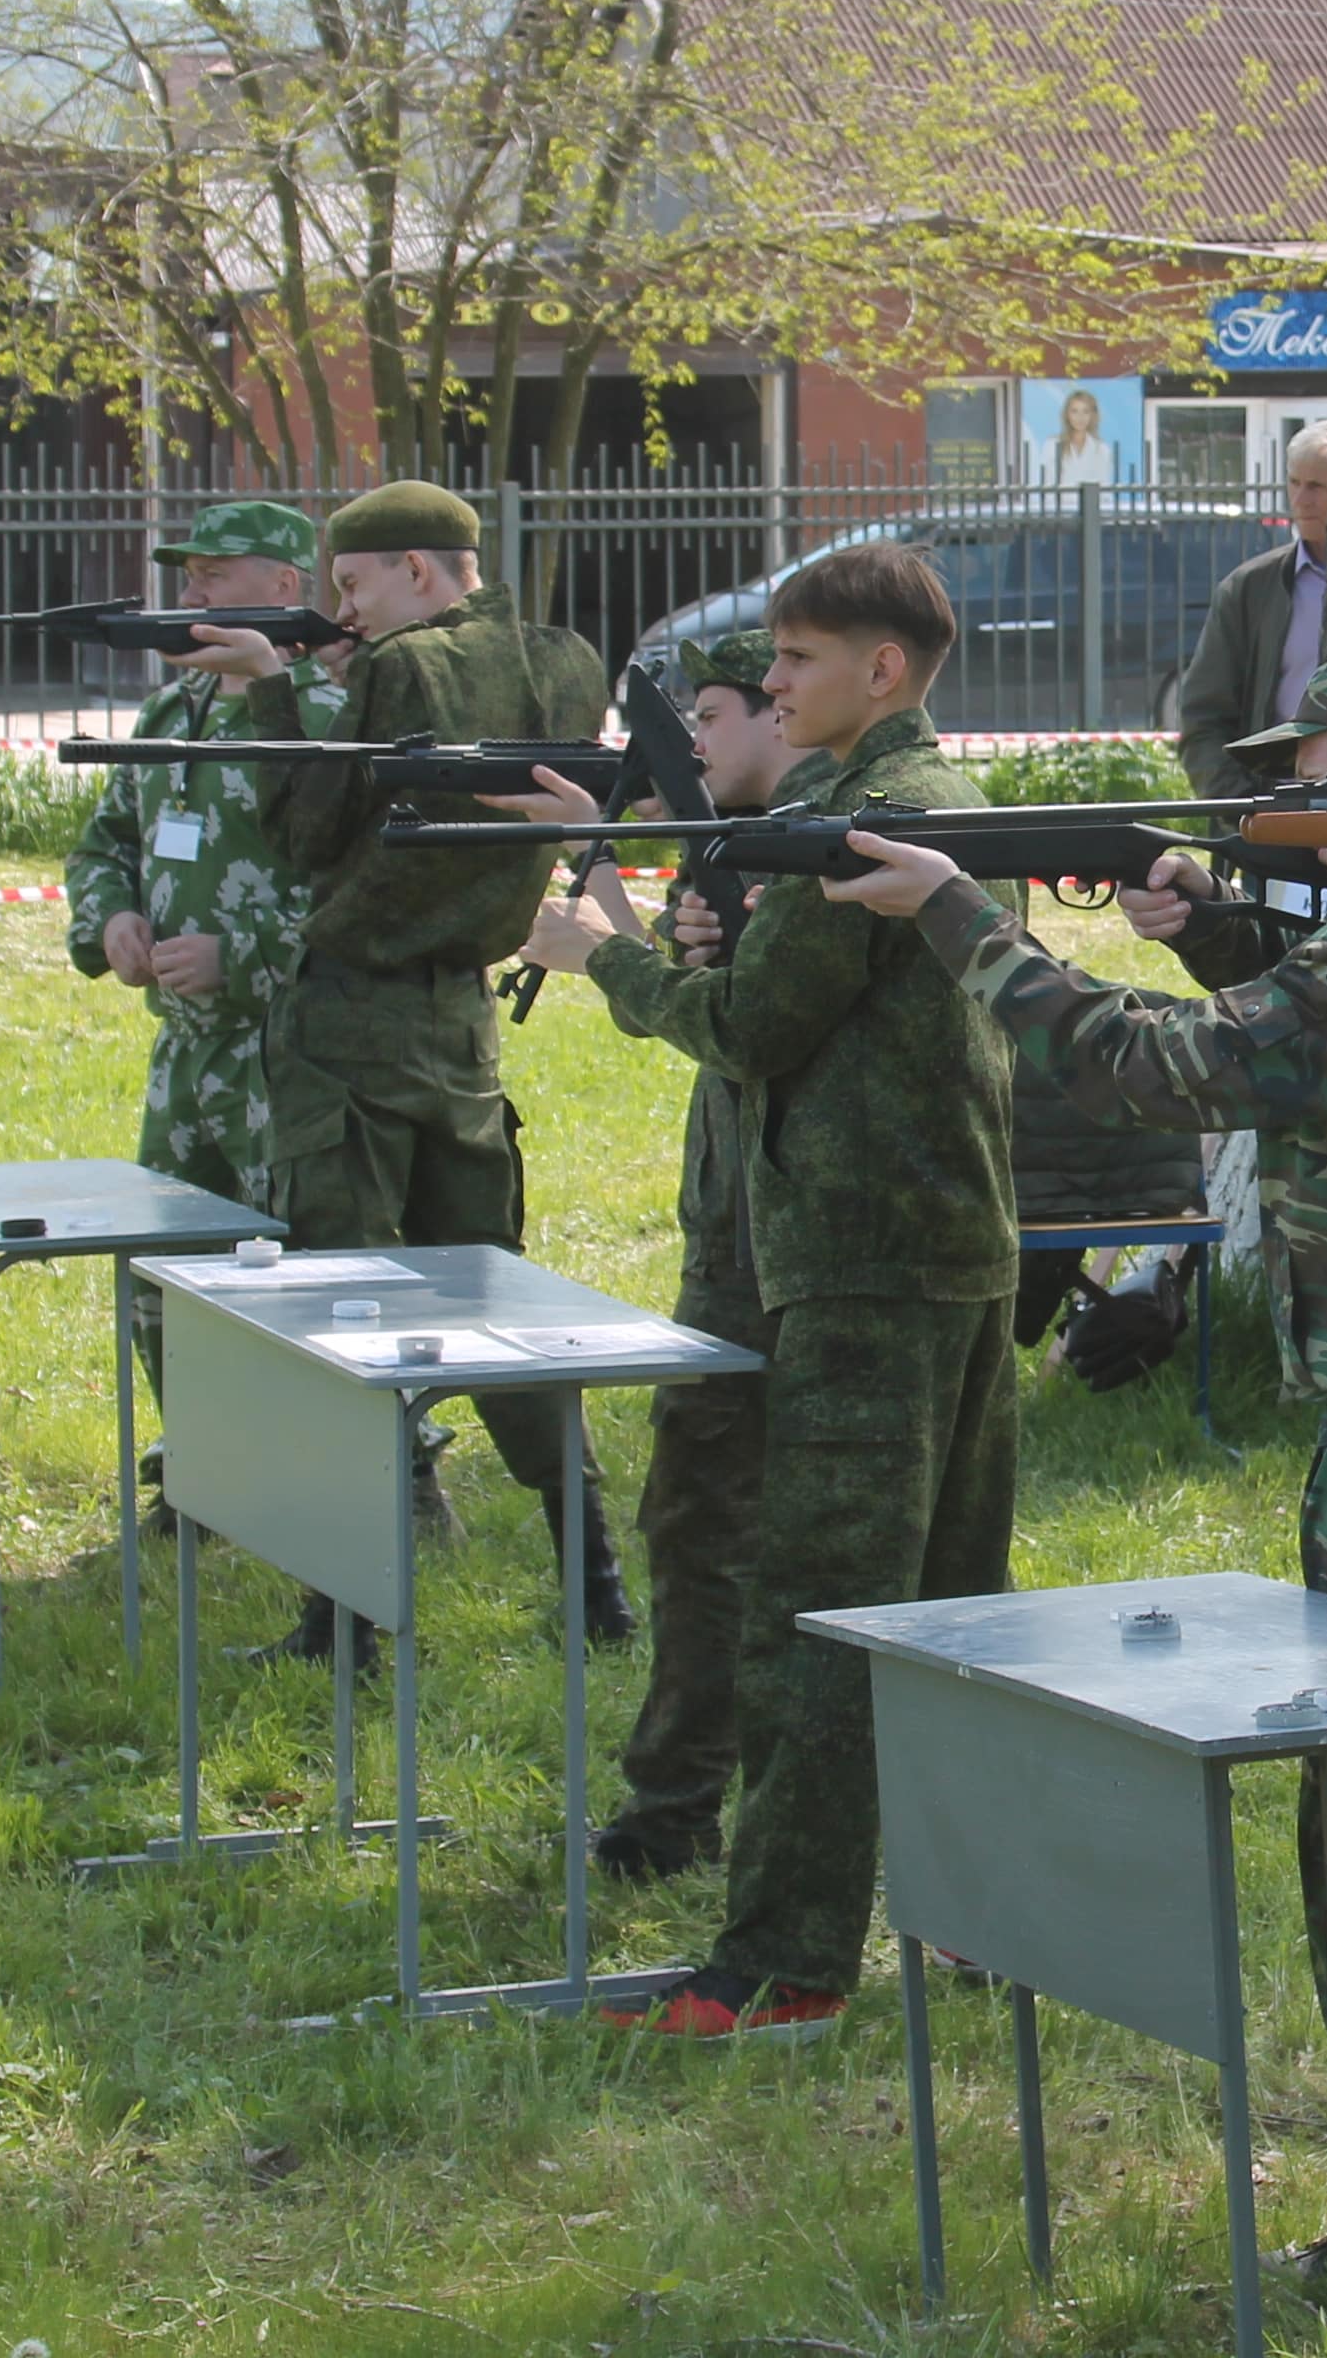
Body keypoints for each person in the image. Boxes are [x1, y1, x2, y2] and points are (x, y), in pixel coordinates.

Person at [823, 649, 1327, 2313]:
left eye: (1315, 772)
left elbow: (1152, 1067)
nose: (1290, 799)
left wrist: (965, 916)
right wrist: (1220, 919)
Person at [515, 542, 1016, 2041]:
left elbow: (752, 1026)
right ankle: (981, 1915)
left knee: (824, 1623)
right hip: (932, 1243)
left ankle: (785, 1968)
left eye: (796, 663)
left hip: (865, 1263)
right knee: (948, 1620)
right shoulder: (902, 806)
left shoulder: (866, 825)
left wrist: (601, 958)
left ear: (884, 671)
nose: (772, 686)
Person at [182, 479, 621, 1660]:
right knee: (495, 1300)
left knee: (347, 1312)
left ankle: (346, 1614)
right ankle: (596, 1575)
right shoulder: (566, 659)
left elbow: (308, 827)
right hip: (462, 1026)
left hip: (351, 1029)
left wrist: (267, 689)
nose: (345, 608)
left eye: (356, 584)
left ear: (419, 573)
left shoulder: (406, 672)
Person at [61, 499, 376, 1525]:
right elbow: (106, 836)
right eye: (186, 573)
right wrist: (110, 917)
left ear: (285, 588)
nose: (190, 593)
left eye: (215, 572)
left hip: (287, 1051)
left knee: (306, 1274)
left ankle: (382, 1470)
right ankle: (200, 1466)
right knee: (166, 1272)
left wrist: (242, 956)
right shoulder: (172, 713)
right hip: (185, 1056)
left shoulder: (322, 721)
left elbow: (362, 891)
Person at [572, 630, 806, 1884]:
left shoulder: (805, 856)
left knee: (712, 1513)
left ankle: (677, 1808)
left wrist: (603, 943)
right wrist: (606, 879)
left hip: (780, 1251)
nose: (701, 741)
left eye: (717, 714)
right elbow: (700, 1013)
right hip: (736, 1234)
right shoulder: (744, 856)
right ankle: (678, 1799)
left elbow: (736, 1030)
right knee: (697, 1511)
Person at [1178, 418, 1327, 792]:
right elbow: (1203, 720)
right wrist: (1245, 805)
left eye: (1316, 486)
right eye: (1294, 483)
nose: (1301, 500)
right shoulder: (1250, 589)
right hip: (1270, 809)